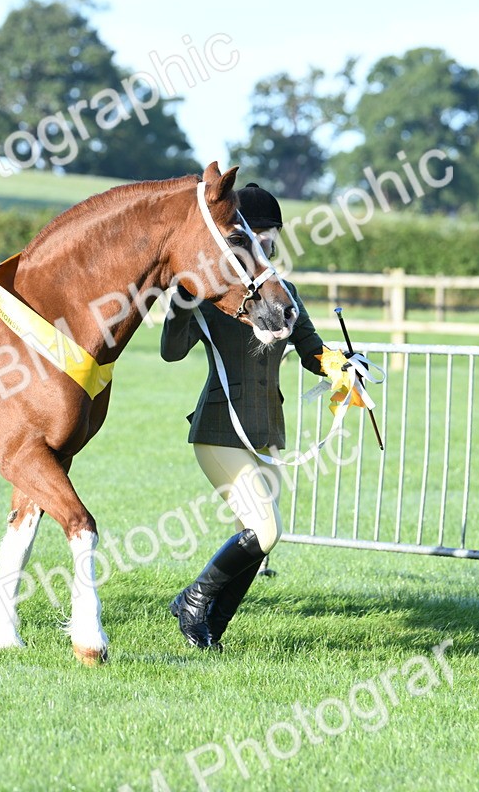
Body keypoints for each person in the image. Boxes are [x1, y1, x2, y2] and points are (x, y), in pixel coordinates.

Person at [161, 182, 329, 651]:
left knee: (254, 541)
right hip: (219, 429)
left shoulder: (283, 292)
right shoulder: (211, 293)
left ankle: (211, 628)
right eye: (259, 233)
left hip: (267, 432)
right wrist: (181, 302)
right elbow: (171, 354)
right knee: (265, 531)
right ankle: (192, 601)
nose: (268, 243)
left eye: (271, 234)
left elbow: (311, 349)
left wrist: (341, 368)